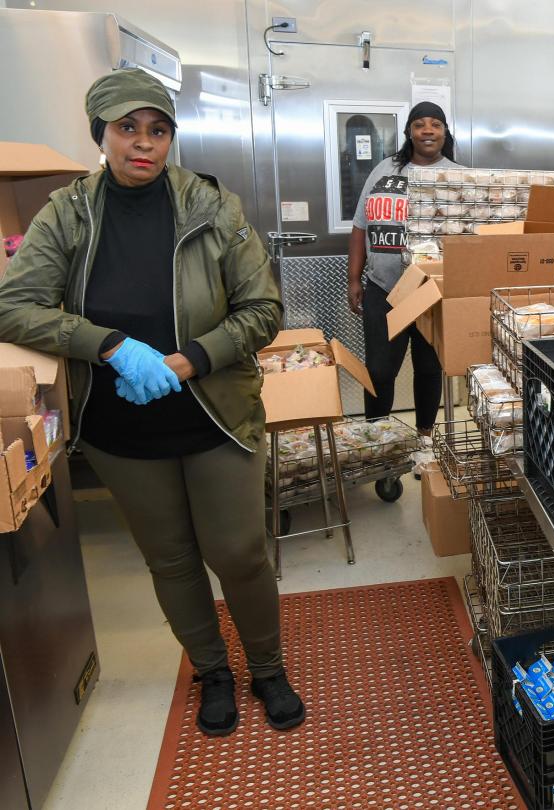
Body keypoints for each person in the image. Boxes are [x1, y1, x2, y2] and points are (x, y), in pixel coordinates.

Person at [0, 69, 304, 737]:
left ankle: (268, 667)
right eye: (127, 129)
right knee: (168, 557)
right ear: (100, 135)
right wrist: (107, 344)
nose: (144, 144)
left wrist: (191, 356)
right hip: (120, 425)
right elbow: (12, 305)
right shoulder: (68, 213)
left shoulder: (211, 208)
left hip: (213, 413)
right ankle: (213, 671)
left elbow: (263, 310)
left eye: (158, 130)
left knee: (239, 552)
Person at [347, 101, 459, 444]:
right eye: (420, 124)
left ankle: (424, 438)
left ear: (444, 132)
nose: (428, 130)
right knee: (379, 371)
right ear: (409, 131)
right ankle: (378, 440)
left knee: (428, 369)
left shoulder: (458, 175)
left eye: (435, 124)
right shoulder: (383, 171)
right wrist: (353, 278)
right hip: (384, 287)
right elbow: (360, 226)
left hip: (433, 290)